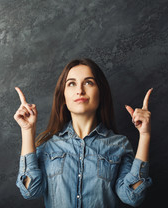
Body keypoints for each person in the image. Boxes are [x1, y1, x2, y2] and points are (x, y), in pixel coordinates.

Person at [14, 58, 153, 207]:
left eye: (88, 82)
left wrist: (145, 135)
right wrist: (27, 130)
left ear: (100, 93)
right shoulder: (49, 147)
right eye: (71, 84)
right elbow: (30, 191)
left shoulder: (119, 144)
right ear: (63, 98)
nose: (80, 90)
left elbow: (131, 196)